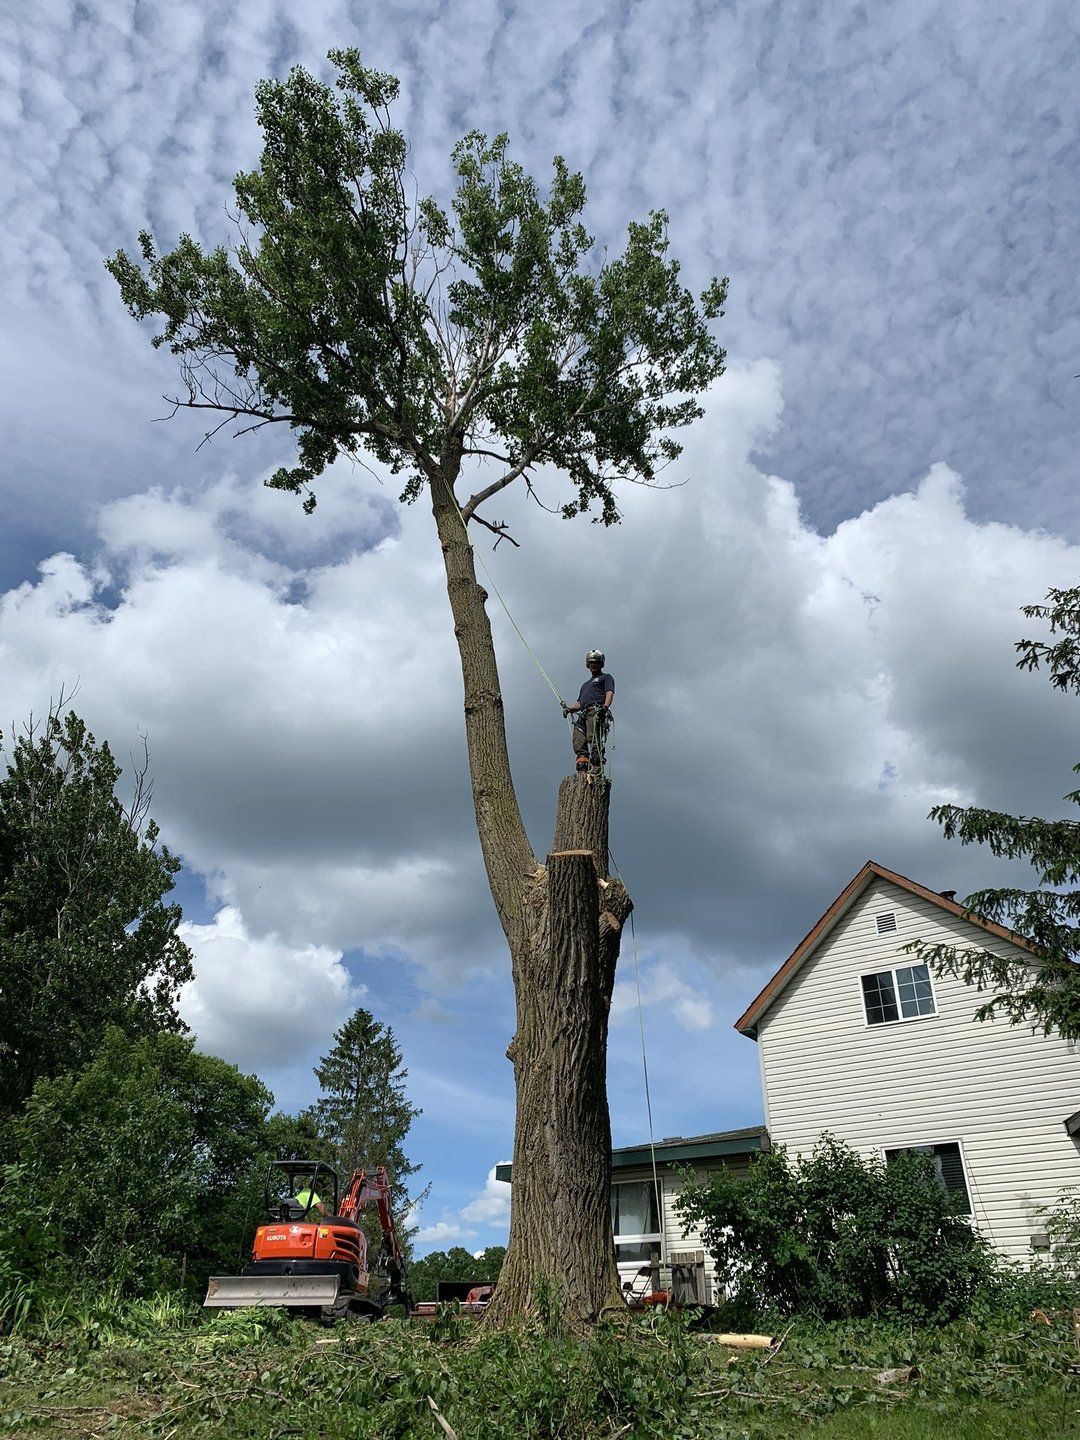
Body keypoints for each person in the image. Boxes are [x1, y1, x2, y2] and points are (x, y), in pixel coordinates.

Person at [562, 650, 615, 774]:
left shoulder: (606, 677)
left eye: (596, 662)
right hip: (584, 713)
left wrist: (605, 707)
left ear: (601, 664)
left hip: (595, 711)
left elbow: (609, 693)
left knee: (594, 739)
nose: (594, 665)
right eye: (591, 663)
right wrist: (569, 709)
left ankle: (596, 766)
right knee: (579, 740)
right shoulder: (585, 685)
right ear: (587, 664)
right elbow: (580, 703)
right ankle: (582, 769)